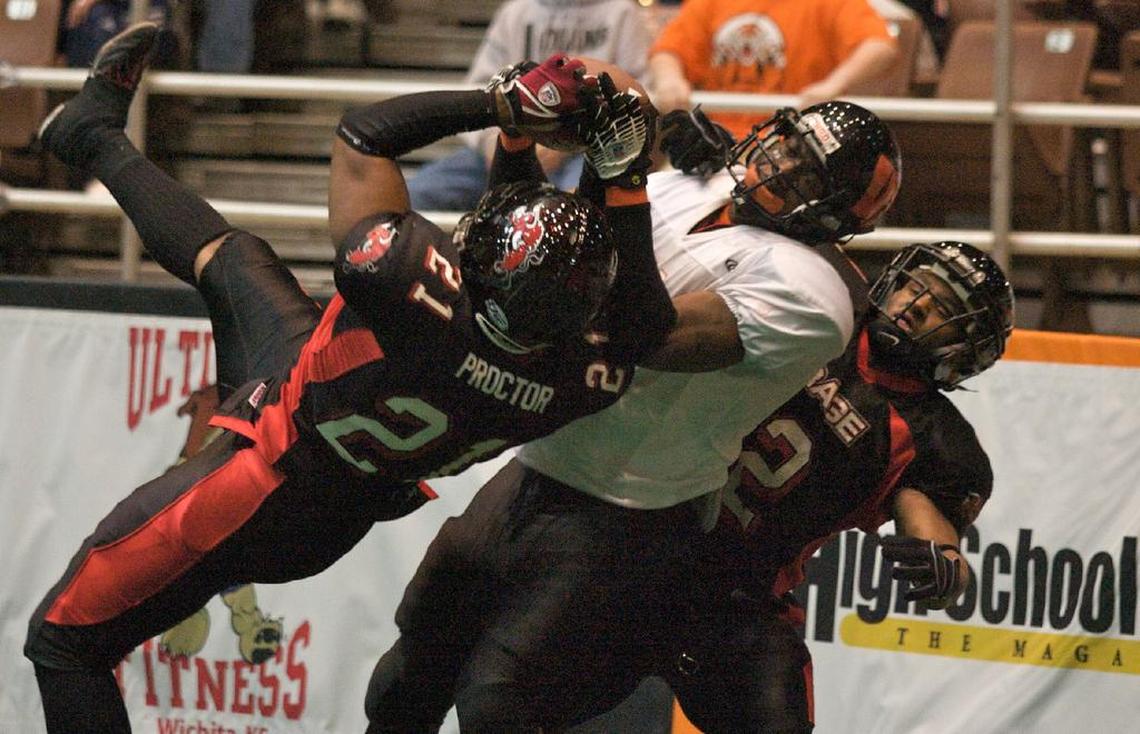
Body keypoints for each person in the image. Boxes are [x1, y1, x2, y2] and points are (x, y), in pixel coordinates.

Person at [22, 23, 677, 733]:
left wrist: (501, 106)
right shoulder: (584, 372)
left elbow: (365, 135)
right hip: (333, 496)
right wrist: (622, 175)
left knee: (63, 641)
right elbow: (644, 317)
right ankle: (91, 134)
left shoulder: (402, 278)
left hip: (261, 480)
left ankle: (90, 138)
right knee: (232, 258)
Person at [364, 102, 903, 731]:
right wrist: (533, 139)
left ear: (835, 212)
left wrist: (622, 178)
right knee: (410, 675)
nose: (775, 165)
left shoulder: (816, 293)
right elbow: (561, 257)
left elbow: (645, 335)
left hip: (629, 519)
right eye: (785, 146)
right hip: (537, 467)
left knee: (500, 705)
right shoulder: (696, 184)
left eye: (805, 175)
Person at [664, 240, 1015, 733]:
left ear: (965, 350)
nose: (915, 306)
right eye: (916, 288)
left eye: (941, 308)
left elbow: (935, 540)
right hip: (646, 527)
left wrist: (947, 570)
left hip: (737, 596)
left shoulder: (934, 441)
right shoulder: (825, 307)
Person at [406, 0, 653, 212]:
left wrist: (563, 145)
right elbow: (481, 88)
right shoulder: (516, 11)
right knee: (416, 194)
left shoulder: (622, 12)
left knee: (575, 208)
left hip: (584, 154)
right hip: (505, 140)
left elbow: (637, 97)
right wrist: (495, 144)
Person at [648, 0, 900, 139]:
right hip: (713, 143)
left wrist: (834, 85)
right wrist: (669, 79)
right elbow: (669, 49)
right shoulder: (710, 3)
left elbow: (880, 46)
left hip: (793, 146)